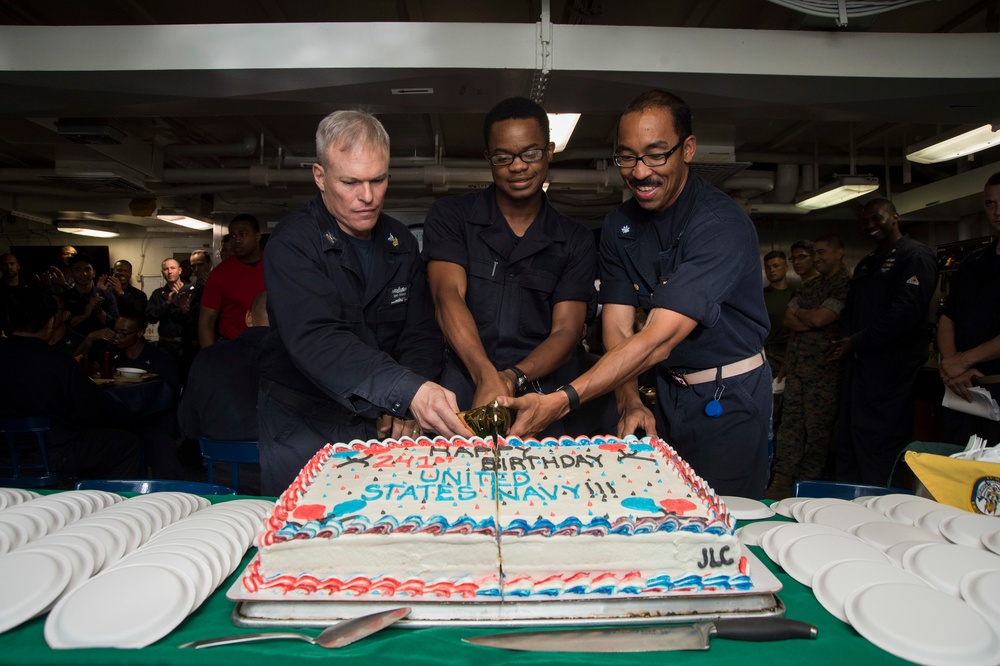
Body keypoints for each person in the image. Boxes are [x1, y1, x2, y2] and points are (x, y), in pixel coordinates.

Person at [499, 90, 771, 498]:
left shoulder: (720, 226)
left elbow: (657, 339)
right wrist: (628, 401)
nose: (640, 172)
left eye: (656, 154)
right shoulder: (618, 226)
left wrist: (561, 401)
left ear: (688, 149)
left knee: (720, 517)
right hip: (665, 392)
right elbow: (618, 329)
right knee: (662, 508)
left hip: (728, 396)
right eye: (626, 157)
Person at [257, 109, 467, 496]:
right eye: (351, 182)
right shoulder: (293, 243)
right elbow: (319, 340)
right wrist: (408, 392)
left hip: (380, 421)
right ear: (320, 177)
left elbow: (420, 333)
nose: (367, 197)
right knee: (303, 537)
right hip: (304, 423)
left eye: (378, 180)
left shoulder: (400, 242)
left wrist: (410, 397)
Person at [423, 96, 615, 437]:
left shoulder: (575, 239)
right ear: (488, 158)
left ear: (549, 151)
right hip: (464, 385)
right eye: (503, 156)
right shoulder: (452, 217)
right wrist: (484, 374)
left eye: (530, 153)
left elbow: (567, 331)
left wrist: (511, 377)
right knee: (456, 487)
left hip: (543, 394)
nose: (518, 166)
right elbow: (446, 296)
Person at [834, 198, 938, 486]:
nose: (871, 226)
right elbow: (850, 310)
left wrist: (857, 341)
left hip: (892, 371)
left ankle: (880, 508)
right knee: (849, 442)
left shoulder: (915, 256)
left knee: (880, 447)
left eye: (877, 218)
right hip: (860, 370)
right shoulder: (868, 263)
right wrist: (848, 339)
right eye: (865, 221)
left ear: (895, 216)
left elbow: (904, 314)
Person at [0, 290, 140, 479]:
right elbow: (89, 410)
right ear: (50, 323)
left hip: (4, 454)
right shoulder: (59, 362)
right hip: (53, 454)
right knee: (127, 444)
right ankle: (106, 501)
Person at [766, 235, 850, 498]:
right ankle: (781, 482)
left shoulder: (845, 285)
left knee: (817, 431)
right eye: (815, 253)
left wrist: (806, 317)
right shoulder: (809, 287)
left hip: (824, 372)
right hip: (798, 369)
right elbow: (792, 323)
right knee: (789, 427)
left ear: (839, 253)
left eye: (822, 252)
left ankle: (807, 486)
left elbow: (821, 318)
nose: (818, 258)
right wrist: (788, 362)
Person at [179, 291, 269, 494]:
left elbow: (188, 425)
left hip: (221, 474)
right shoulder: (299, 361)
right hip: (288, 477)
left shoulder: (207, 358)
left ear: (248, 317)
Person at [937, 172, 1000, 446]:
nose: (998, 212)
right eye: (990, 203)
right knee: (959, 472)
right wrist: (953, 367)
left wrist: (963, 361)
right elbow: (948, 317)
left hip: (996, 386)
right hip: (964, 393)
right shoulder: (975, 261)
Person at [106, 311, 183, 479]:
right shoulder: (111, 357)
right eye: (115, 331)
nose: (117, 337)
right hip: (119, 415)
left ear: (140, 333)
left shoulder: (160, 358)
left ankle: (170, 491)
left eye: (123, 333)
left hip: (154, 415)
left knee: (158, 440)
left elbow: (171, 395)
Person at [198, 215, 266, 348]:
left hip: (270, 344)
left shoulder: (276, 265)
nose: (237, 240)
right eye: (233, 236)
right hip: (233, 345)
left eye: (243, 234)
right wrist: (209, 358)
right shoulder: (220, 274)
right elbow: (207, 321)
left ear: (257, 236)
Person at [146, 257, 195, 369]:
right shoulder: (158, 294)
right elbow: (150, 317)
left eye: (172, 268)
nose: (169, 271)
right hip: (165, 345)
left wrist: (182, 301)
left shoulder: (192, 290)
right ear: (162, 272)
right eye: (166, 269)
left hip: (186, 345)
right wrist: (167, 303)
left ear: (180, 270)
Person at [64, 253, 118, 336]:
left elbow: (115, 324)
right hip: (72, 345)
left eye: (87, 270)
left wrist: (98, 310)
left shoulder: (107, 296)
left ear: (94, 273)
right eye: (78, 270)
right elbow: (62, 325)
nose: (84, 274)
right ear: (71, 273)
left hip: (101, 345)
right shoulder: (64, 298)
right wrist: (85, 315)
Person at [762, 250, 792, 376]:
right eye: (768, 267)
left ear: (785, 267)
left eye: (776, 266)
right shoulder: (760, 296)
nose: (771, 270)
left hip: (791, 352)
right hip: (768, 353)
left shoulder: (797, 294)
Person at [0, 252, 29, 336]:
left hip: (27, 331)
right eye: (5, 265)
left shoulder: (29, 286)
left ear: (18, 266)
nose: (9, 267)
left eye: (12, 264)